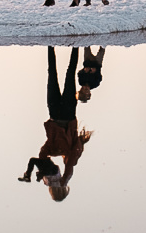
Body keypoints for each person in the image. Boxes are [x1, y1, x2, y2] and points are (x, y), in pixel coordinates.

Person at [19, 46, 94, 201]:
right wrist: (64, 180)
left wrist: (43, 170)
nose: (55, 179)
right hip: (67, 114)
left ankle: (50, 44)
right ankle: (75, 45)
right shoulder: (72, 155)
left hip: (54, 113)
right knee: (69, 74)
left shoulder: (52, 149)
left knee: (51, 74)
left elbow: (41, 154)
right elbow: (70, 164)